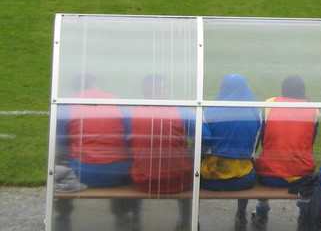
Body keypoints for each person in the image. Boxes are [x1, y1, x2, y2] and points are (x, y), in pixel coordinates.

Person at [55, 73, 134, 231]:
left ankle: (63, 218)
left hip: (84, 172)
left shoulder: (69, 105)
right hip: (119, 174)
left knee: (59, 164)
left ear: (76, 88)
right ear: (96, 84)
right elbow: (128, 136)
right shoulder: (115, 100)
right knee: (128, 160)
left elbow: (62, 143)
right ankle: (122, 217)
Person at [252, 75, 319, 230]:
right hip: (301, 177)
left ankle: (261, 214)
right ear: (302, 90)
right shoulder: (313, 109)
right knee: (308, 167)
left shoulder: (269, 104)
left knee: (263, 161)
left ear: (283, 90)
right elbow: (311, 142)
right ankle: (304, 216)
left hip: (269, 176)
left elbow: (260, 135)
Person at [128, 74, 194, 231]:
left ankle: (134, 221)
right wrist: (188, 153)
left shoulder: (133, 112)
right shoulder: (181, 111)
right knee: (184, 167)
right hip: (179, 181)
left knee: (130, 165)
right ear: (165, 90)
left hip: (144, 182)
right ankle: (186, 221)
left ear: (144, 92)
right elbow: (204, 138)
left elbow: (125, 142)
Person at [201, 74, 262, 231]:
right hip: (243, 180)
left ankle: (193, 218)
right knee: (250, 166)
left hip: (210, 180)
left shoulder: (209, 113)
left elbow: (203, 144)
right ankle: (240, 215)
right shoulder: (256, 115)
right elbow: (252, 150)